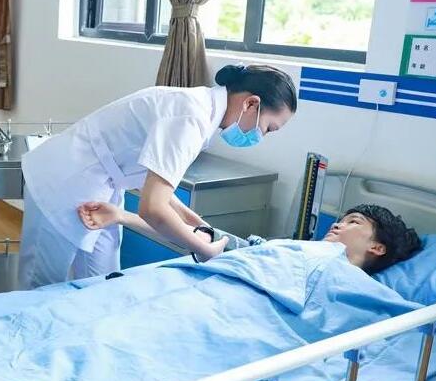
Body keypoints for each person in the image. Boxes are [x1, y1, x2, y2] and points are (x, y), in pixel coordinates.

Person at [19, 64, 298, 289]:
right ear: (251, 104)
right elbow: (153, 208)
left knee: (102, 283)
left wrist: (200, 225)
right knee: (41, 288)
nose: (261, 136)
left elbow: (160, 187)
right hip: (65, 179)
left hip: (102, 183)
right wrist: (203, 249)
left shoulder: (201, 113)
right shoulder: (190, 117)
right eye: (268, 128)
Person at [83, 202, 422, 274]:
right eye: (341, 218)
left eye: (353, 222)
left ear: (377, 247)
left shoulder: (354, 285)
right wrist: (122, 216)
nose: (337, 224)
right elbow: (205, 238)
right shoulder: (286, 249)